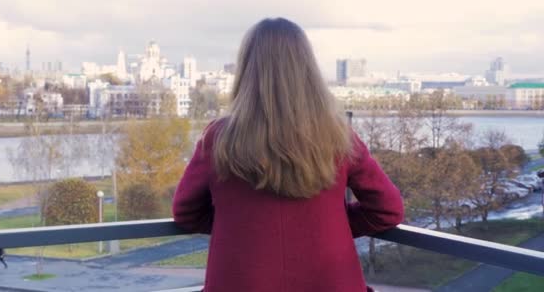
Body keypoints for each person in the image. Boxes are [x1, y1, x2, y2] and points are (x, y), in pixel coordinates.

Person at [173, 18, 404, 292]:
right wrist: (327, 227)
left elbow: (186, 212)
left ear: (247, 69)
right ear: (307, 69)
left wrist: (242, 226)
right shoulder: (337, 136)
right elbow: (388, 210)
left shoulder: (219, 138)